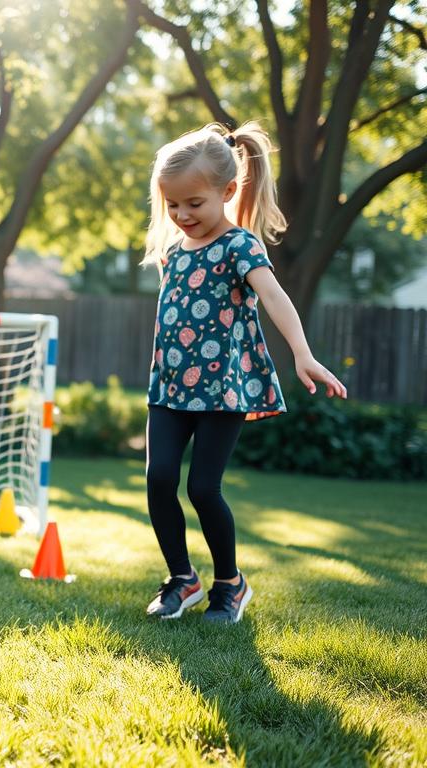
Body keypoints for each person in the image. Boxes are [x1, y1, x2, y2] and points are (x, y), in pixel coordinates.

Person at [141, 122, 346, 624]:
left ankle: (229, 584)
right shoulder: (173, 252)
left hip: (222, 390)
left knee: (203, 489)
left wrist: (301, 352)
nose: (182, 215)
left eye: (194, 203)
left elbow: (274, 297)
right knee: (159, 479)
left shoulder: (240, 246)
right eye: (173, 205)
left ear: (227, 191)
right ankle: (182, 578)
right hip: (168, 387)